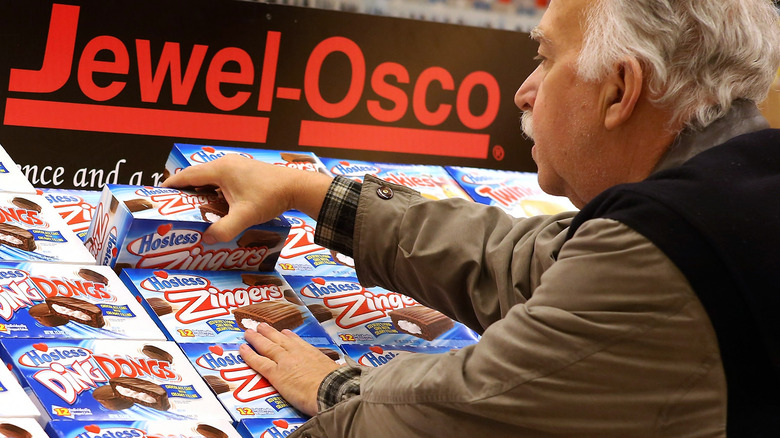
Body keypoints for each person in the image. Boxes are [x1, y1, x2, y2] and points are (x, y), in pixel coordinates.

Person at [163, 0, 780, 435]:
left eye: (547, 56)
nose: (525, 90)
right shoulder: (725, 192)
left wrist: (337, 394)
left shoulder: (671, 249)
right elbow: (520, 264)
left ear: (619, 89)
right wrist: (309, 190)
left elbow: (466, 413)